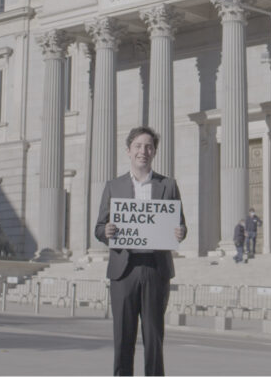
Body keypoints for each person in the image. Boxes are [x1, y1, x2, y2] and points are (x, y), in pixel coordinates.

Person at [94, 126, 187, 376]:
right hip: (124, 270)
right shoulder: (114, 186)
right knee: (123, 336)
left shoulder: (167, 185)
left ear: (154, 152)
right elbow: (99, 227)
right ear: (128, 151)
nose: (142, 151)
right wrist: (108, 232)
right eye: (138, 146)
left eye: (148, 147)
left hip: (156, 268)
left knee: (154, 336)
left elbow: (180, 224)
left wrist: (180, 232)